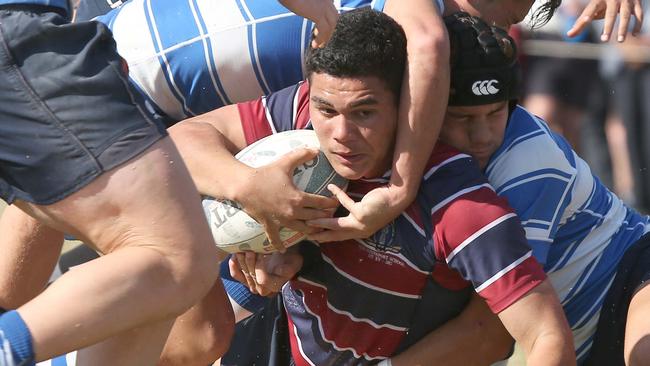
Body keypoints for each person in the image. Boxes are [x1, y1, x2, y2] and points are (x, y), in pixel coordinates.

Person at [168, 8, 574, 366]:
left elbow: (545, 337)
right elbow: (183, 140)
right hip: (289, 341)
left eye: (364, 112)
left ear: (404, 102)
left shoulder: (457, 204)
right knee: (199, 334)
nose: (340, 134)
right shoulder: (302, 116)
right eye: (327, 110)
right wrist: (251, 190)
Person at [0, 1, 344, 366]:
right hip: (89, 73)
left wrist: (265, 235)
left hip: (91, 78)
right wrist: (244, 185)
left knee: (195, 324)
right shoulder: (378, 46)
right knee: (171, 266)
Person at [366, 11, 650, 364]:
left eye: (496, 112)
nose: (482, 136)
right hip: (585, 343)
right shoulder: (401, 150)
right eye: (462, 118)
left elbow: (488, 336)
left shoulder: (527, 161)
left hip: (637, 276)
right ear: (427, 107)